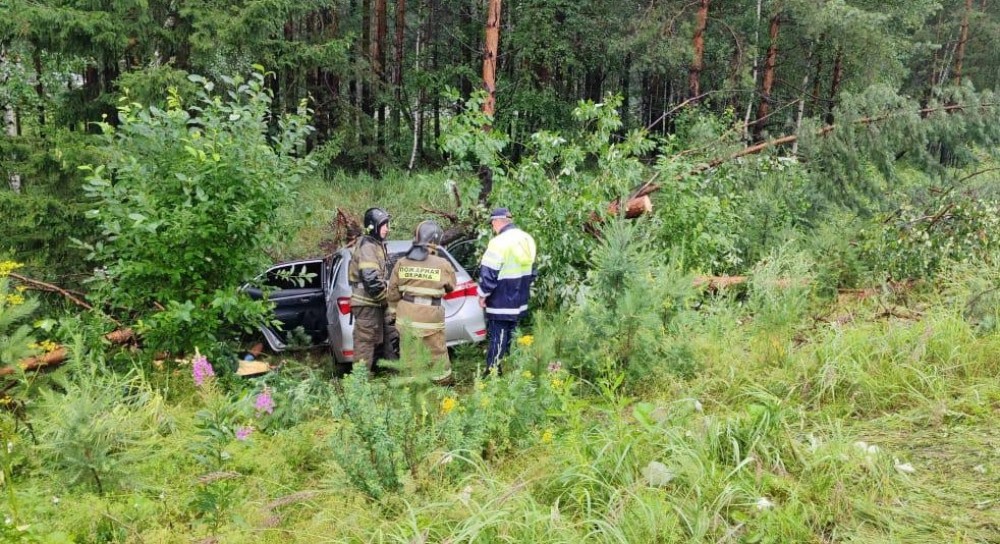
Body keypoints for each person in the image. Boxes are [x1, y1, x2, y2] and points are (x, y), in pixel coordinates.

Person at [387, 220, 457, 385]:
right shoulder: (443, 265)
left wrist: (394, 312)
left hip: (407, 319)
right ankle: (442, 385)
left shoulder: (402, 263)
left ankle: (411, 389)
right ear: (435, 241)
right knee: (437, 353)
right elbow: (451, 287)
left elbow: (392, 292)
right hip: (430, 318)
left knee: (409, 356)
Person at [478, 207, 537, 374]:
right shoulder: (527, 239)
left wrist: (482, 295)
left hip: (501, 299)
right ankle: (512, 366)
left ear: (496, 222)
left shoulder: (499, 242)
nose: (492, 228)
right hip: (520, 298)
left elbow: (488, 273)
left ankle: (492, 372)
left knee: (499, 335)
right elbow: (532, 271)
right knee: (511, 333)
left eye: (492, 224)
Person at [348, 207, 391, 371]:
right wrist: (386, 299)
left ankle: (371, 384)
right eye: (384, 224)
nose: (388, 228)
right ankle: (359, 390)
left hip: (372, 305)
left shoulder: (375, 245)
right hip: (367, 305)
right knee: (364, 345)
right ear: (373, 226)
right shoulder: (368, 246)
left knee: (375, 342)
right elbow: (371, 278)